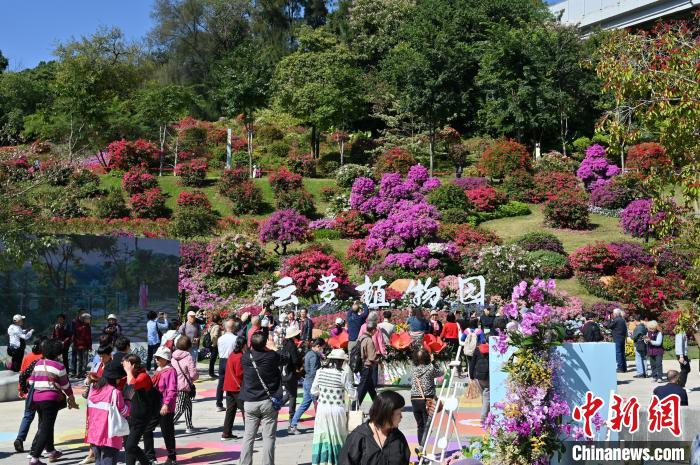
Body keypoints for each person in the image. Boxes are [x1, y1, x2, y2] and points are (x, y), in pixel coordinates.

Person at [28, 339, 79, 465]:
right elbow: (66, 386)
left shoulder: (38, 363)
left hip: (37, 399)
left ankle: (51, 451)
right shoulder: (59, 366)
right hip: (50, 400)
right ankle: (34, 458)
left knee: (46, 425)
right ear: (57, 353)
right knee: (46, 428)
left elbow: (31, 382)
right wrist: (71, 397)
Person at [239, 332, 286, 465]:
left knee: (248, 436)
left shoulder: (245, 357)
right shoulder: (271, 356)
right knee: (269, 437)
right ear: (265, 344)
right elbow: (286, 358)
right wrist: (274, 347)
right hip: (268, 401)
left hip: (250, 401)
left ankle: (244, 463)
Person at [310, 349, 356, 465]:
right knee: (337, 437)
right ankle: (336, 461)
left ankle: (322, 461)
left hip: (322, 408)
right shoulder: (343, 374)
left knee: (322, 436)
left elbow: (313, 391)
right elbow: (352, 395)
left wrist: (324, 392)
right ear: (341, 361)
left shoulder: (320, 371)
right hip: (337, 409)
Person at [339, 391, 410, 465]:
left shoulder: (398, 438)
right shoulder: (358, 437)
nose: (401, 417)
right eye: (399, 413)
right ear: (387, 414)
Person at [86, 362, 129, 465]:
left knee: (99, 461)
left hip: (94, 435)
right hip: (109, 437)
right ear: (116, 379)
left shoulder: (93, 390)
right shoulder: (115, 392)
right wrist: (128, 401)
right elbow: (125, 412)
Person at [144, 347, 178, 465]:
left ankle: (172, 457)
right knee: (147, 429)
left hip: (165, 407)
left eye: (159, 358)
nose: (156, 360)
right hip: (155, 405)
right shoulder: (158, 370)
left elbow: (172, 390)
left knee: (167, 432)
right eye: (156, 358)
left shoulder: (171, 371)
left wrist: (166, 404)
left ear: (166, 359)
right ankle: (150, 456)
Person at [122, 354, 158, 465]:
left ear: (133, 365)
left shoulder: (143, 376)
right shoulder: (129, 376)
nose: (124, 368)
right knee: (127, 446)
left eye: (126, 365)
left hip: (141, 417)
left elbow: (133, 385)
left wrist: (128, 371)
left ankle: (147, 463)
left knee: (131, 445)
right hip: (129, 416)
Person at [289, 338, 326, 435]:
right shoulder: (313, 356)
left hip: (307, 381)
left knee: (305, 404)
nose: (322, 350)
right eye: (322, 348)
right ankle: (320, 425)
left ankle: (293, 424)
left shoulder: (309, 353)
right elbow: (314, 371)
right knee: (317, 404)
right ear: (318, 346)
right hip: (312, 382)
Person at [14, 338, 45, 453]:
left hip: (29, 390)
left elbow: (22, 373)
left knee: (27, 416)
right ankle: (39, 443)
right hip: (42, 391)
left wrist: (21, 389)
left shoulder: (28, 357)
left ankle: (20, 438)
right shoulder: (45, 357)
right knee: (43, 419)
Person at [410, 348, 444, 446]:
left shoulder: (413, 369)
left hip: (414, 399)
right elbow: (441, 372)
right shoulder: (430, 369)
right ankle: (423, 447)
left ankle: (421, 447)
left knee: (420, 425)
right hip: (427, 399)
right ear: (427, 357)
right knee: (427, 425)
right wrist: (434, 361)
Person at [172, 335, 199, 433]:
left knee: (188, 405)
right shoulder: (188, 357)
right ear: (189, 347)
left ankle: (189, 426)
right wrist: (196, 376)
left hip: (175, 384)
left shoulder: (173, 356)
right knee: (180, 408)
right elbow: (193, 374)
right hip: (184, 386)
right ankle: (167, 425)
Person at [222, 336, 246, 440]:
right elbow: (240, 373)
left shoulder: (232, 354)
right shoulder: (240, 356)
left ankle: (226, 433)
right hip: (237, 387)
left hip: (229, 386)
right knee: (246, 410)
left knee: (230, 410)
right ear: (243, 345)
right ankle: (250, 433)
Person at [281, 326, 302, 428]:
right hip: (291, 374)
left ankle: (274, 407)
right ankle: (292, 417)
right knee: (293, 395)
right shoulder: (292, 346)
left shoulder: (285, 344)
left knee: (288, 394)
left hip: (284, 373)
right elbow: (295, 361)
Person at [216, 319, 239, 411]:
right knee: (234, 382)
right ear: (233, 327)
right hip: (231, 361)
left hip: (222, 360)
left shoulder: (220, 339)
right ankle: (236, 403)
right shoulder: (236, 338)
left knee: (221, 383)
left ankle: (219, 403)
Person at [356, 321, 379, 409]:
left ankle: (378, 406)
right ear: (373, 330)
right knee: (361, 389)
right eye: (376, 330)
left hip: (361, 365)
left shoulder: (361, 338)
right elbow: (372, 357)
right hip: (367, 367)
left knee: (371, 389)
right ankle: (354, 406)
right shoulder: (369, 340)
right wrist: (379, 361)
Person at [605, 308, 628, 373]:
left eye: (613, 313)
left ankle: (620, 368)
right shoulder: (622, 319)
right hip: (622, 337)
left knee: (618, 353)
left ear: (615, 314)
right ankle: (624, 368)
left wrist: (609, 319)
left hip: (617, 338)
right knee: (622, 352)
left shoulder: (616, 320)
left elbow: (609, 326)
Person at [474, 343, 490, 425]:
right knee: (486, 396)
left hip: (478, 376)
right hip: (487, 377)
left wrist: (471, 376)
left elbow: (472, 363)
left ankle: (487, 414)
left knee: (484, 396)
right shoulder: (492, 349)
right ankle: (483, 417)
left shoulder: (477, 349)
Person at [73, 313, 93, 378]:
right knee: (84, 360)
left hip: (79, 345)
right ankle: (83, 373)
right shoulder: (85, 327)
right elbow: (88, 337)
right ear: (84, 319)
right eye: (88, 318)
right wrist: (90, 346)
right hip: (84, 346)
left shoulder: (79, 326)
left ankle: (78, 373)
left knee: (80, 360)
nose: (89, 320)